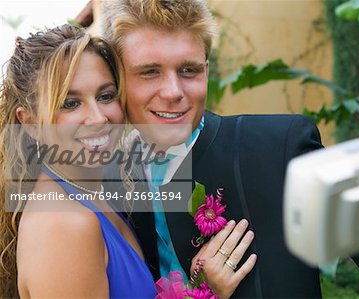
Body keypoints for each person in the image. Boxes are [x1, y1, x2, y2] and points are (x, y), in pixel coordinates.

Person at [101, 0, 359, 297]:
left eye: (189, 70)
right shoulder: (108, 178)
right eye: (150, 72)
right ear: (118, 80)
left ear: (207, 69)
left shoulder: (280, 146)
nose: (174, 91)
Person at [0, 24, 255, 298]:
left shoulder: (91, 192)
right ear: (29, 123)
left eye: (105, 96)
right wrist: (207, 292)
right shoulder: (64, 223)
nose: (98, 117)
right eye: (70, 103)